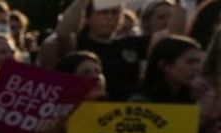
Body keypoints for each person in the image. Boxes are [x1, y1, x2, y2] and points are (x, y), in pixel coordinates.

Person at [40, 0, 185, 100]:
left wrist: (179, 2)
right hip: (85, 113)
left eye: (115, 13)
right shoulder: (78, 42)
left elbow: (173, 36)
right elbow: (63, 32)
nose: (110, 17)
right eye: (103, 12)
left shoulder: (131, 44)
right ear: (88, 19)